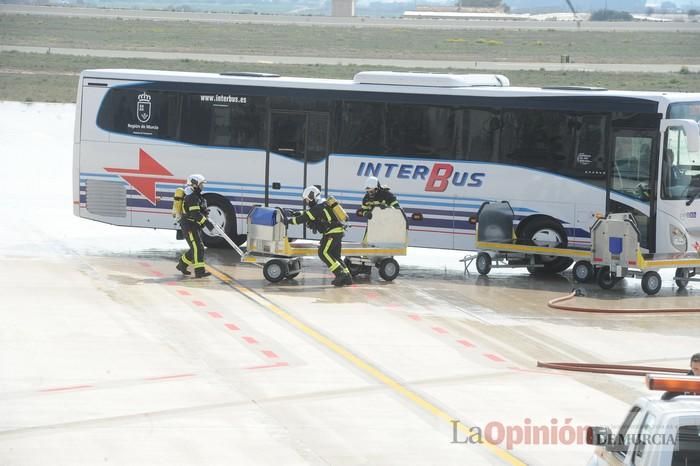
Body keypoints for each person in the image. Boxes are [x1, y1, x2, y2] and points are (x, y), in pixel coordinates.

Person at [289, 186, 353, 287]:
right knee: (335, 256)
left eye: (307, 200)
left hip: (332, 232)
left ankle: (340, 274)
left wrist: (288, 221)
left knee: (323, 252)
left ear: (312, 197)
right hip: (337, 231)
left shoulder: (318, 207)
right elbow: (311, 214)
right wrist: (297, 213)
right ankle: (347, 277)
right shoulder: (323, 204)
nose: (307, 202)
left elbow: (304, 218)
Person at [176, 174, 214, 278]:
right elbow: (195, 214)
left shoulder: (196, 196)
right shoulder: (192, 197)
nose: (203, 186)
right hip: (189, 226)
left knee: (195, 248)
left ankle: (182, 264)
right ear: (195, 184)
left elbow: (197, 211)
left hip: (193, 225)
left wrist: (204, 211)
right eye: (201, 184)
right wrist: (206, 223)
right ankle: (199, 271)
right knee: (198, 247)